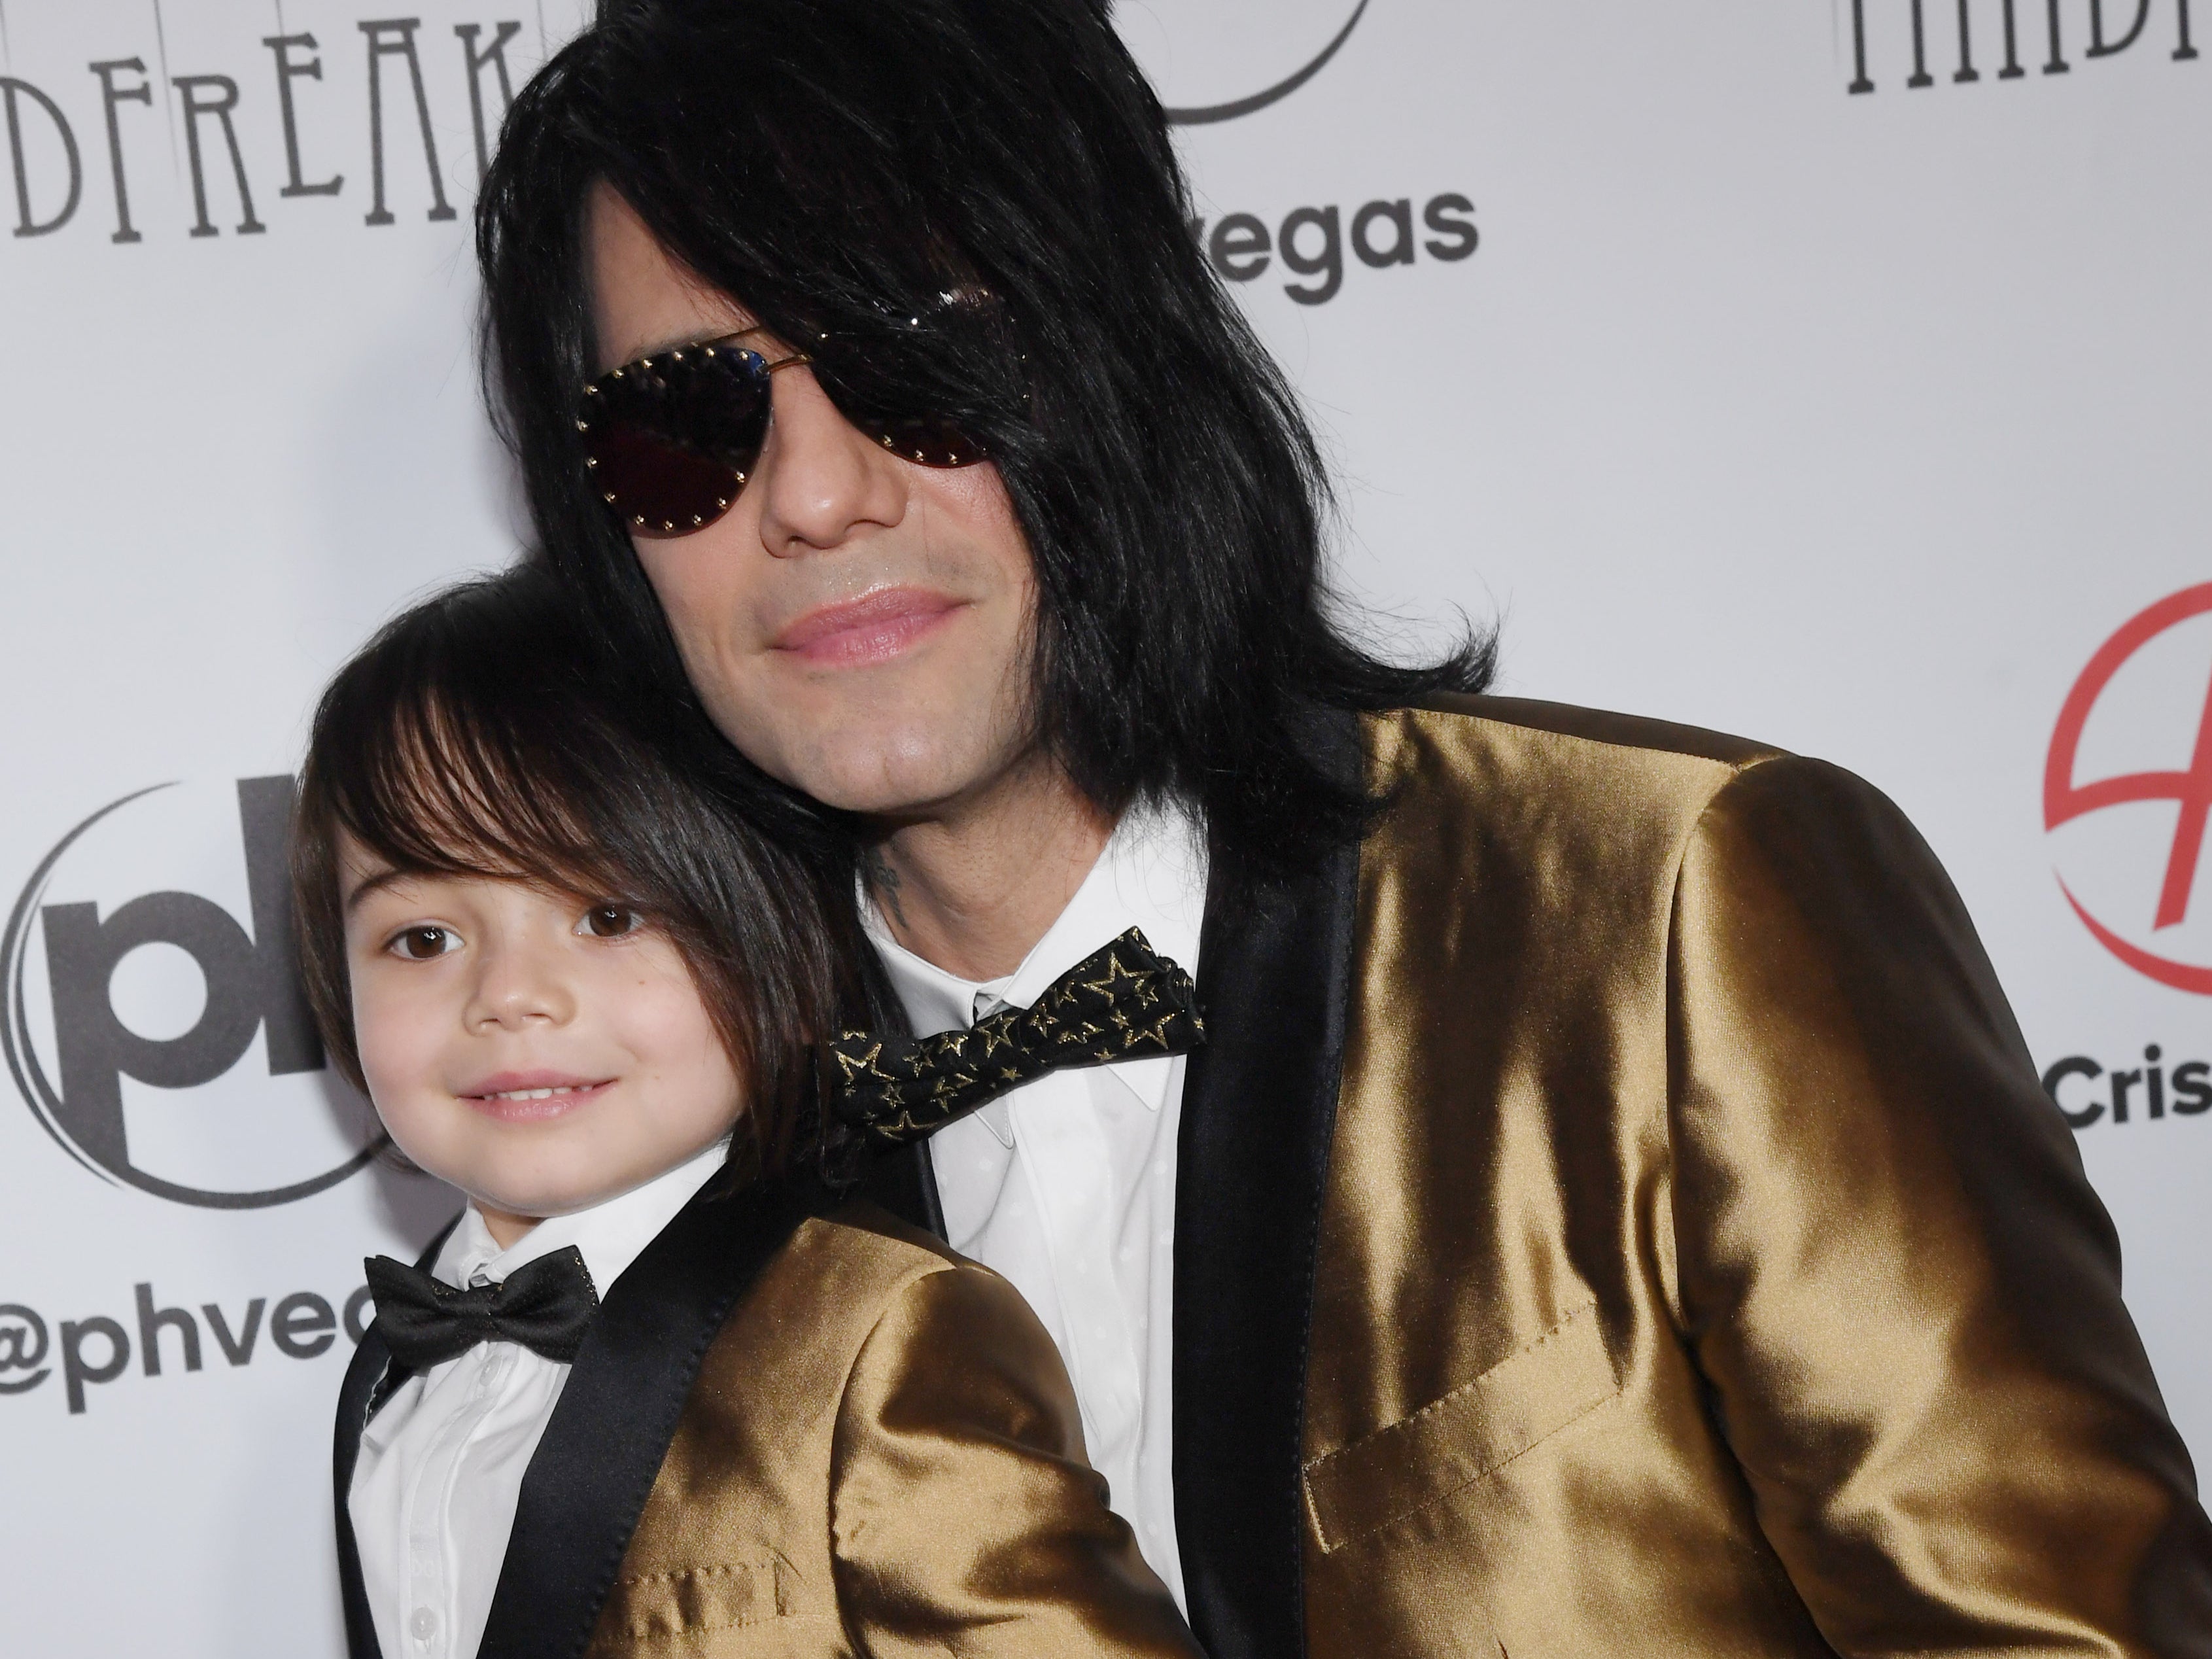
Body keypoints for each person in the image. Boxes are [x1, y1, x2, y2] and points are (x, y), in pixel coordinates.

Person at [475, 1, 2212, 1652]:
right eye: (681, 423)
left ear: (1113, 362)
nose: (813, 491)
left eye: (916, 359)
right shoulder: (674, 1169)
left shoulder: (1664, 907)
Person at [294, 568, 1203, 1659]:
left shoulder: (879, 1337)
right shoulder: (393, 1367)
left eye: (607, 914)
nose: (508, 995)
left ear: (763, 922)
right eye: (422, 939)